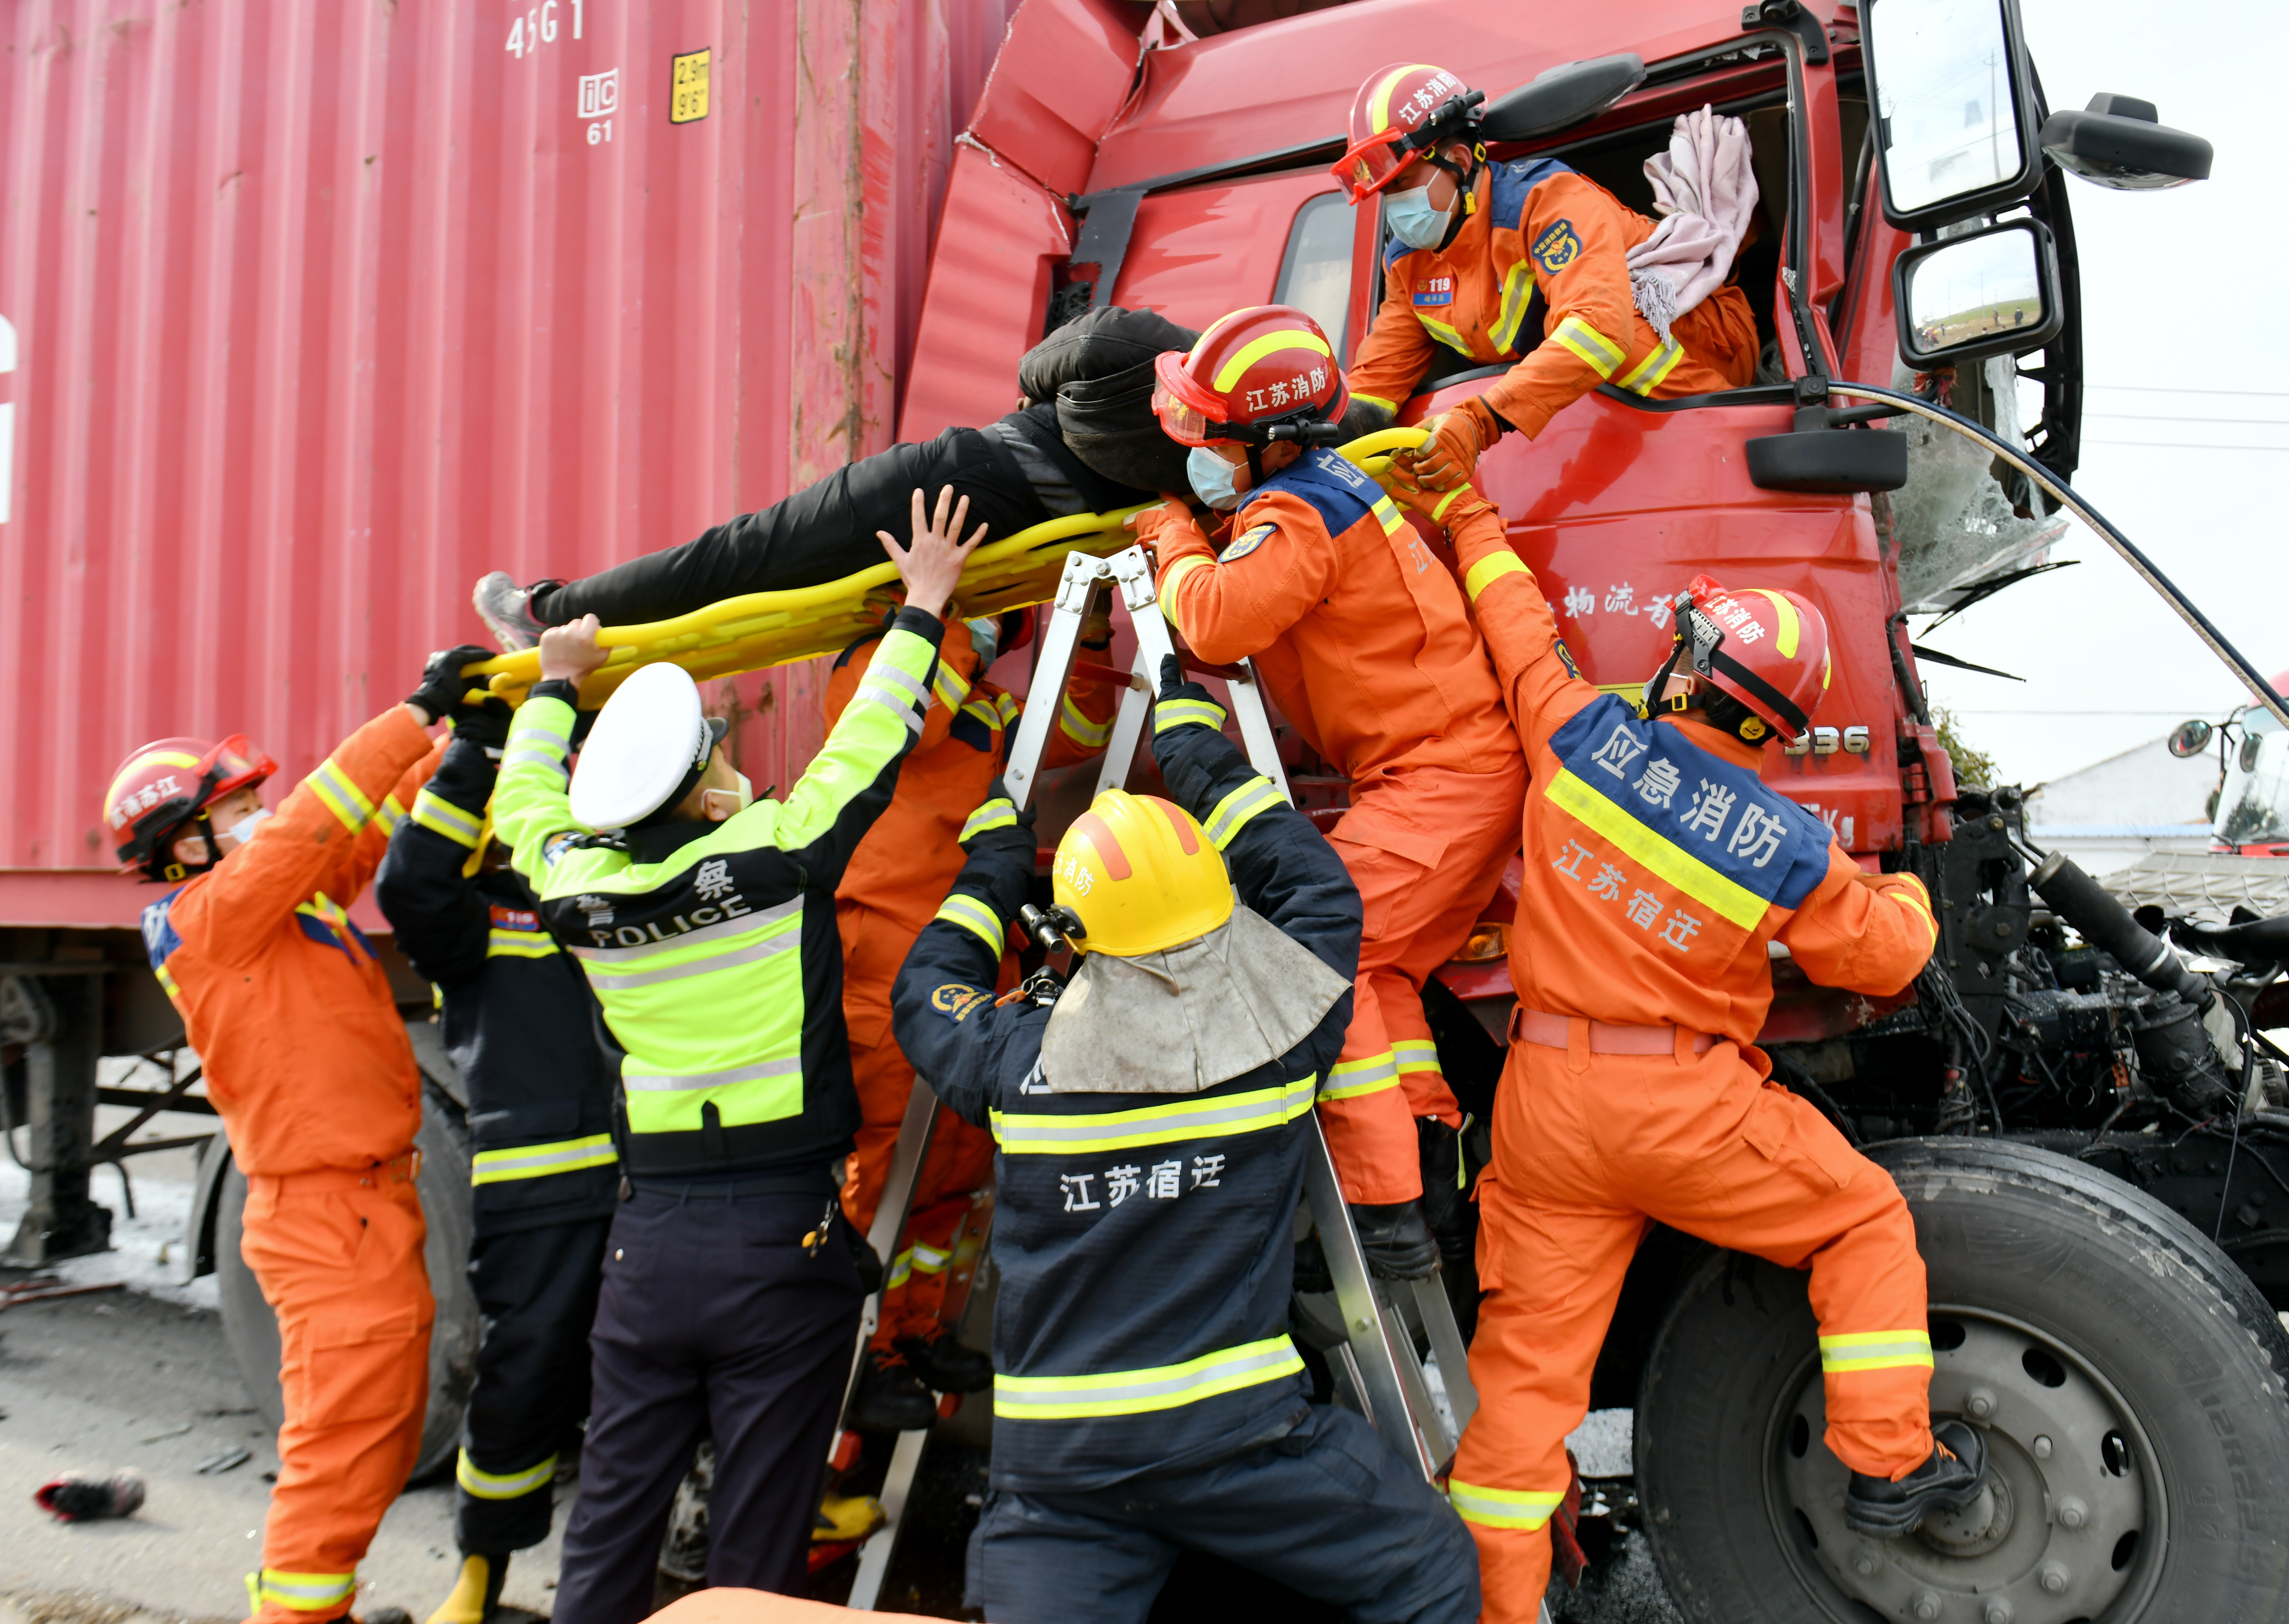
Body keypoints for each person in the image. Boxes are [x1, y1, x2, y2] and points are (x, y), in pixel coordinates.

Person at [1397, 465, 1983, 1622]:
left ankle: (1494, 1610)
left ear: (1689, 672)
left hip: (1548, 1098)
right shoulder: (1780, 840)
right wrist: (1910, 900)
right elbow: (1885, 960)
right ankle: (1886, 1457)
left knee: (1520, 1390)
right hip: (1685, 1108)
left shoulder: (1576, 739)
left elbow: (1517, 629)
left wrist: (1465, 510)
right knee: (1862, 1219)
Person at [889, 658, 1480, 1624]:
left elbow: (927, 991)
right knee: (1430, 1573)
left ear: (1074, 935)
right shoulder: (1279, 1027)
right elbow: (1318, 887)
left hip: (1059, 1475)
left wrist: (994, 862)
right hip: (1235, 1447)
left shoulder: (1017, 1063)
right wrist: (1192, 746)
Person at [487, 486, 979, 1622]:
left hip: (645, 1249)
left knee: (610, 1520)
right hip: (777, 1243)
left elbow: (523, 802)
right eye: (718, 759)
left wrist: (553, 682)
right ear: (703, 789)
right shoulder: (772, 855)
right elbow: (869, 745)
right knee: (755, 1549)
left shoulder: (577, 886)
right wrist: (923, 608)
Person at [1132, 303, 1528, 1275]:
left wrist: (1169, 534)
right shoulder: (1327, 485)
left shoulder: (1293, 514)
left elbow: (1216, 622)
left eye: (1209, 440)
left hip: (1437, 782)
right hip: (1447, 776)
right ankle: (1428, 1167)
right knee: (1376, 973)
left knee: (1309, 952)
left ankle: (1384, 1214)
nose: (1195, 454)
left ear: (1267, 442)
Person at [108, 647, 489, 1624]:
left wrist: (459, 736)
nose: (260, 816)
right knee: (344, 1436)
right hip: (325, 1216)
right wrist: (415, 712)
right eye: (236, 810)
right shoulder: (209, 919)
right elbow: (317, 821)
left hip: (362, 1204)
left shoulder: (286, 909)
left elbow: (346, 831)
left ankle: (315, 1610)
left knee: (375, 1424)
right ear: (187, 845)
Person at [472, 307, 1198, 648]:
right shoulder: (1217, 482)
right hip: (1002, 530)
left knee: (741, 554)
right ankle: (561, 617)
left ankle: (546, 611)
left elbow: (1046, 363)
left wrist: (1040, 415)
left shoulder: (1162, 353)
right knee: (755, 572)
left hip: (950, 481)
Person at [826, 603, 1120, 1432]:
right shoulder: (875, 664)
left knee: (953, 1162)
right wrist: (952, 619)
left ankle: (912, 1329)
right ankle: (852, 1356)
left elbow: (1078, 733)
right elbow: (909, 727)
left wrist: (1091, 635)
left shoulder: (986, 695)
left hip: (969, 943)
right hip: (887, 948)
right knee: (883, 1167)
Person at [375, 701, 621, 1624]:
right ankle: (481, 1573)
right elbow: (414, 880)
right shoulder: (469, 918)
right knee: (525, 1376)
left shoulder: (590, 881)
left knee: (678, 1358)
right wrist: (477, 746)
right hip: (544, 1193)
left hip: (650, 1179)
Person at [1331, 64, 1760, 490]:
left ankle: (1729, 440)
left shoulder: (1547, 202)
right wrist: (1326, 441)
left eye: (1402, 183)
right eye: (1385, 193)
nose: (1396, 207)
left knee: (1612, 327)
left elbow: (1600, 330)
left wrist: (1481, 419)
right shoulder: (1408, 263)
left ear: (1459, 161)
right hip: (1602, 402)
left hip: (1707, 342)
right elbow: (1380, 376)